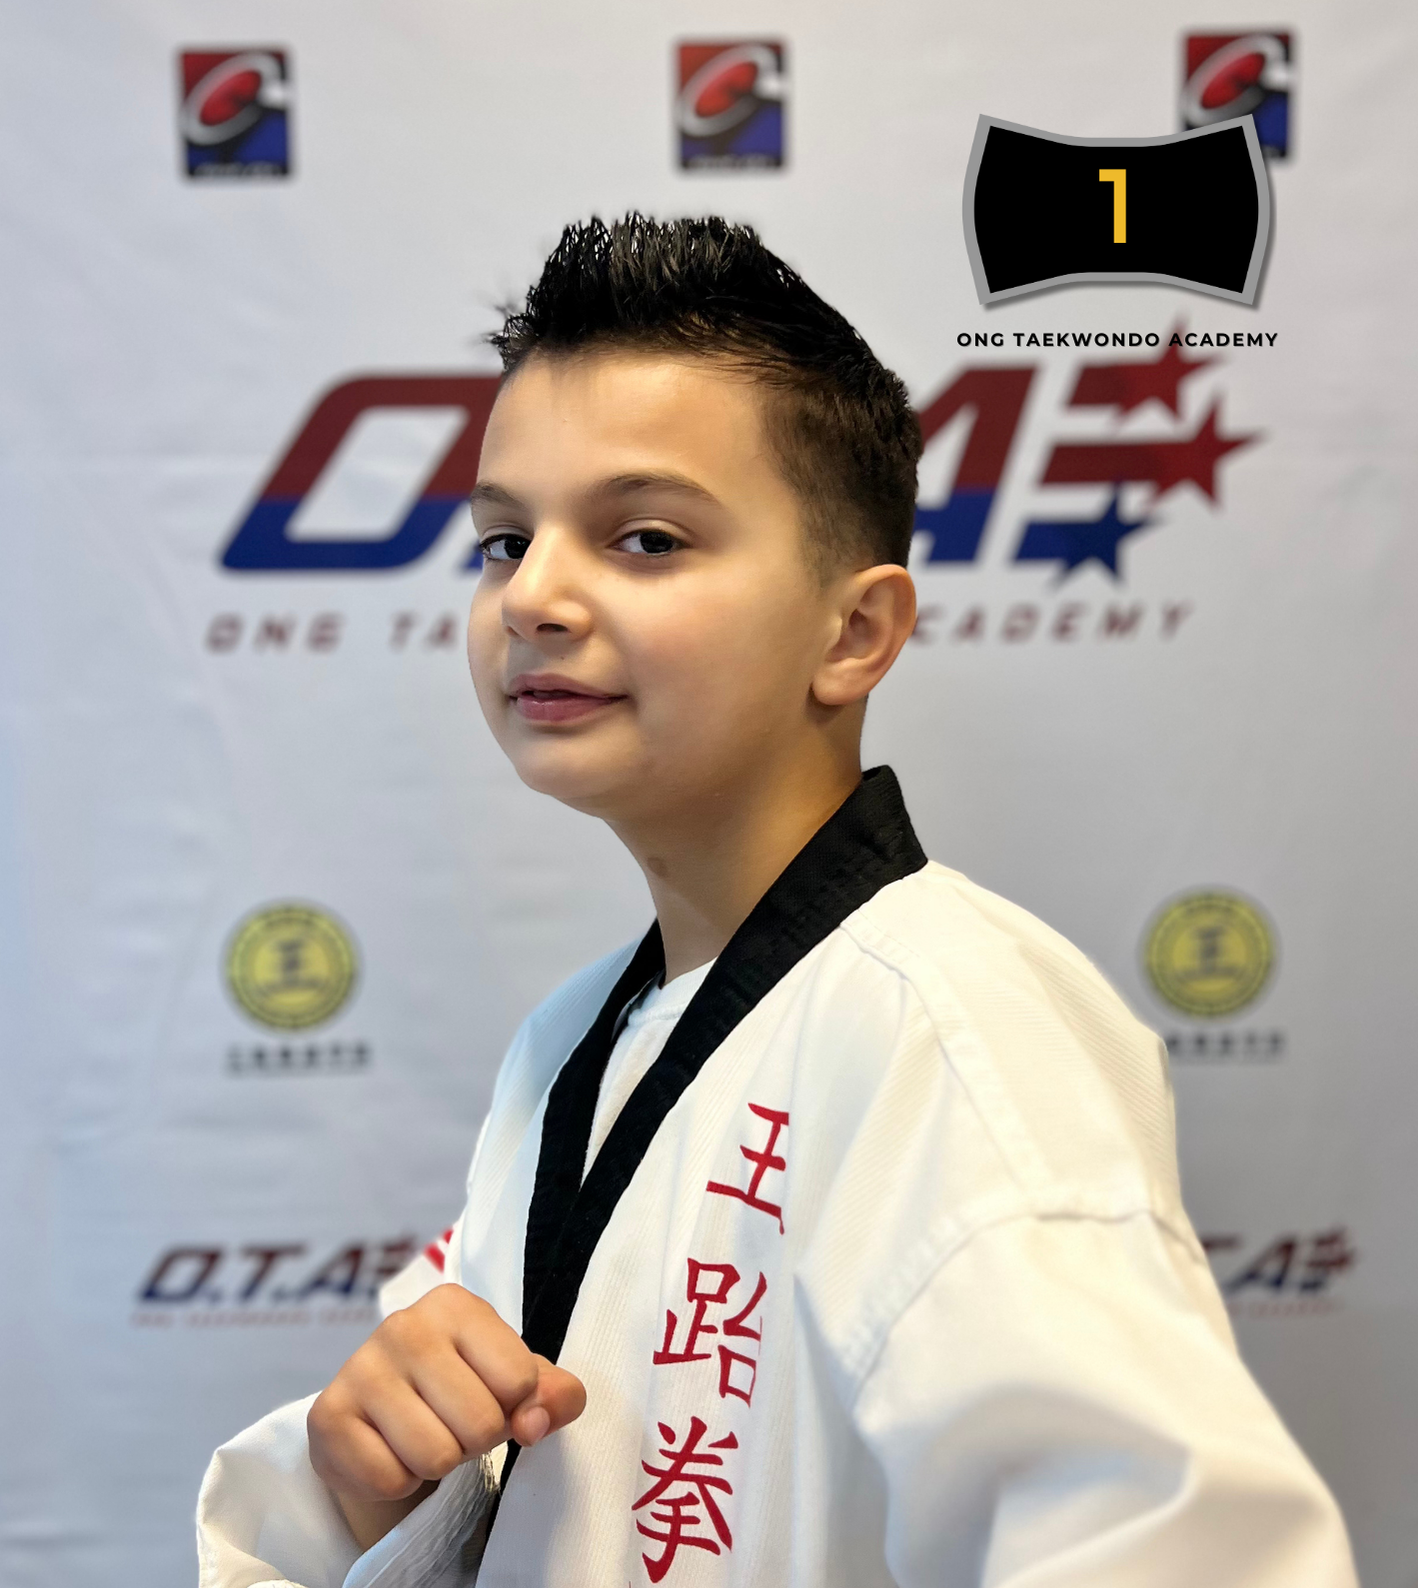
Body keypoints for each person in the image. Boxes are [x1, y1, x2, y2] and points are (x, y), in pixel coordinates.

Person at [197, 215, 1355, 1588]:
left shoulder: (955, 1032)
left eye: (641, 537)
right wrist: (356, 1469)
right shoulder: (575, 1041)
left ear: (854, 633)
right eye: (504, 542)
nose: (536, 599)